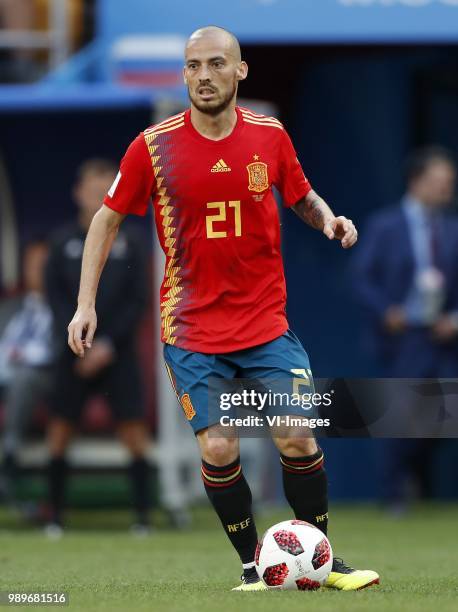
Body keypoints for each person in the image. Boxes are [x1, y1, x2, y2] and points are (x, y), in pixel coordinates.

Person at [67, 27, 379, 590]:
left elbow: (300, 195)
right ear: (183, 73)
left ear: (240, 71)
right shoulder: (153, 147)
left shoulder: (269, 136)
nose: (203, 75)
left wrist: (328, 217)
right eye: (192, 65)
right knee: (218, 444)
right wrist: (84, 304)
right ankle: (252, 562)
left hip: (264, 324)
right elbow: (105, 220)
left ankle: (323, 562)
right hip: (192, 328)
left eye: (215, 64)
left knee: (297, 436)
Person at [45, 159, 151, 536]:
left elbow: (138, 301)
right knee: (59, 430)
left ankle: (142, 517)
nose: (98, 197)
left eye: (105, 190)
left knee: (133, 432)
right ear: (78, 193)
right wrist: (79, 342)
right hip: (73, 352)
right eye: (92, 190)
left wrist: (106, 343)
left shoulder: (134, 244)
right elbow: (54, 299)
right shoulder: (61, 243)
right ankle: (54, 517)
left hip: (117, 353)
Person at [352, 147, 458, 511]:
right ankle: (394, 495)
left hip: (442, 336)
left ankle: (415, 475)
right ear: (417, 181)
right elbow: (362, 277)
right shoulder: (386, 225)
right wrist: (387, 311)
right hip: (402, 337)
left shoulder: (451, 228)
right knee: (400, 414)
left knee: (444, 413)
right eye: (440, 182)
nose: (447, 190)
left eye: (450, 183)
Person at [0, 239, 54, 501]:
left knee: (24, 377)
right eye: (31, 264)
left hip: (40, 375)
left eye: (42, 264)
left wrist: (22, 356)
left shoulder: (67, 307)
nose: (36, 270)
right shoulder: (11, 306)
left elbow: (57, 350)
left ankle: (10, 453)